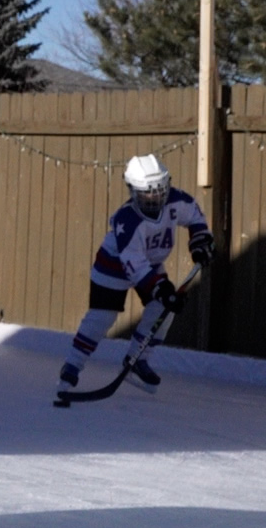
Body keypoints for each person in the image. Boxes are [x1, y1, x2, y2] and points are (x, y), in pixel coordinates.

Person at [59, 154, 213, 390]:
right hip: (113, 267)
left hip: (149, 264)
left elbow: (195, 216)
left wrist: (200, 244)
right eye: (147, 193)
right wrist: (161, 288)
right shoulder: (127, 221)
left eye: (159, 191)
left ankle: (137, 360)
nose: (154, 198)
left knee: (163, 308)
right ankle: (72, 366)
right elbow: (134, 264)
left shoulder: (176, 201)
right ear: (132, 190)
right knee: (102, 317)